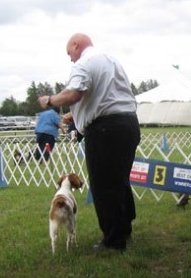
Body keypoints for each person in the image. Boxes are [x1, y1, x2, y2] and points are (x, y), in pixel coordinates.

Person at [38, 33, 140, 252]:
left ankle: (113, 241)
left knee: (103, 185)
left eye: (69, 53)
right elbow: (104, 98)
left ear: (76, 45)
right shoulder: (111, 61)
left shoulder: (84, 62)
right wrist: (77, 116)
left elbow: (73, 94)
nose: (70, 59)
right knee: (119, 180)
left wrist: (50, 100)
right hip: (129, 125)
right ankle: (124, 229)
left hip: (105, 131)